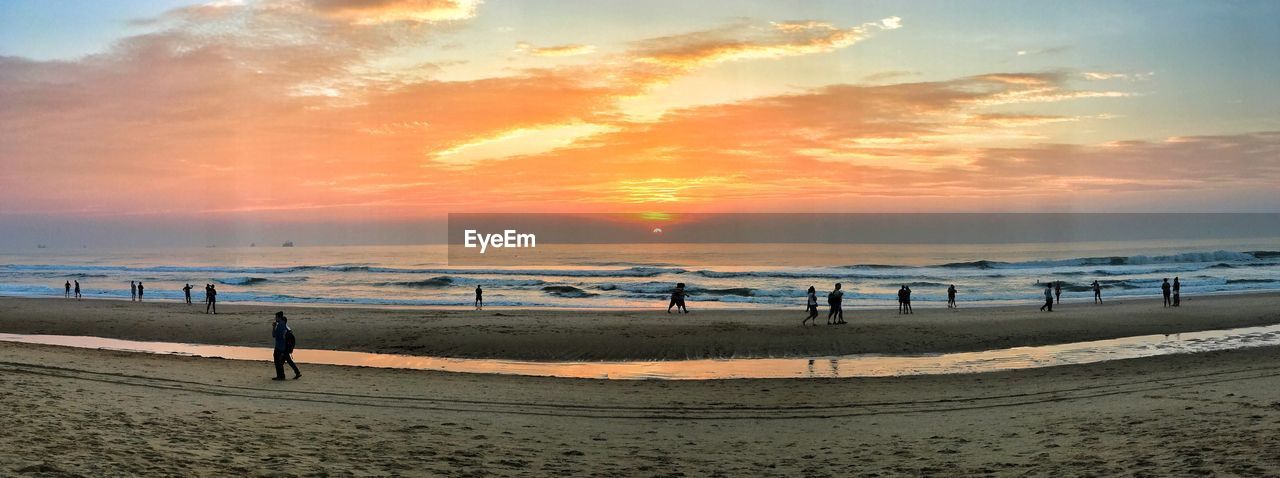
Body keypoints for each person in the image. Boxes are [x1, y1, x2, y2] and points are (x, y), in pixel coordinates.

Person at [271, 312, 301, 380]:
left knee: (278, 361)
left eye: (276, 317)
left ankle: (281, 376)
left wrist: (273, 327)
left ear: (279, 317)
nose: (275, 318)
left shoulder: (280, 325)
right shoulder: (286, 327)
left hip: (280, 346)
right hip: (285, 347)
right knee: (287, 360)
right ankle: (297, 372)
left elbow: (274, 335)